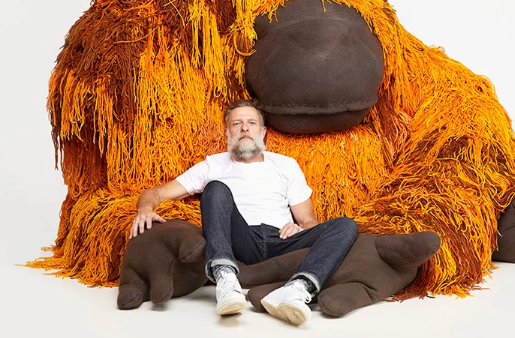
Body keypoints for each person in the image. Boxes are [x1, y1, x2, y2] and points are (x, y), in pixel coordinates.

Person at [129, 99, 358, 326]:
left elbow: (309, 221)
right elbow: (156, 193)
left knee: (346, 225)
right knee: (215, 188)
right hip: (241, 239)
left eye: (251, 123)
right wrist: (145, 209)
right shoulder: (212, 165)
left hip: (282, 240)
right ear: (227, 132)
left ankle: (298, 289)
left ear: (263, 132)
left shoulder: (286, 165)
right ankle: (226, 278)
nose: (245, 128)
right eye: (237, 124)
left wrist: (299, 228)